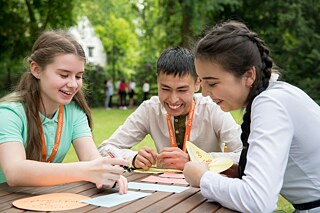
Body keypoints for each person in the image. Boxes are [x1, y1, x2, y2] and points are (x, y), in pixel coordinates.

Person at [183, 20, 320, 212]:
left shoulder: (271, 104)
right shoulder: (277, 95)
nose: (204, 93)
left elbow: (258, 201)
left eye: (212, 83)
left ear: (249, 75)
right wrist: (239, 170)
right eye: (202, 82)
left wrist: (203, 178)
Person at [0, 30, 129, 194]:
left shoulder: (73, 112)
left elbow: (90, 157)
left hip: (42, 199)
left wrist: (107, 174)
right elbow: (14, 171)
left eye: (78, 76)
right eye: (64, 75)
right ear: (36, 69)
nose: (73, 84)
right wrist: (87, 170)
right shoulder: (8, 113)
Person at [98, 46, 242, 171]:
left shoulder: (212, 108)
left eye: (182, 90)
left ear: (197, 84)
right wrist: (133, 158)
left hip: (205, 191)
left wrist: (193, 160)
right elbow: (104, 149)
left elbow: (246, 154)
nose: (173, 99)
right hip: (163, 192)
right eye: (165, 89)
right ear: (157, 82)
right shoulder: (150, 110)